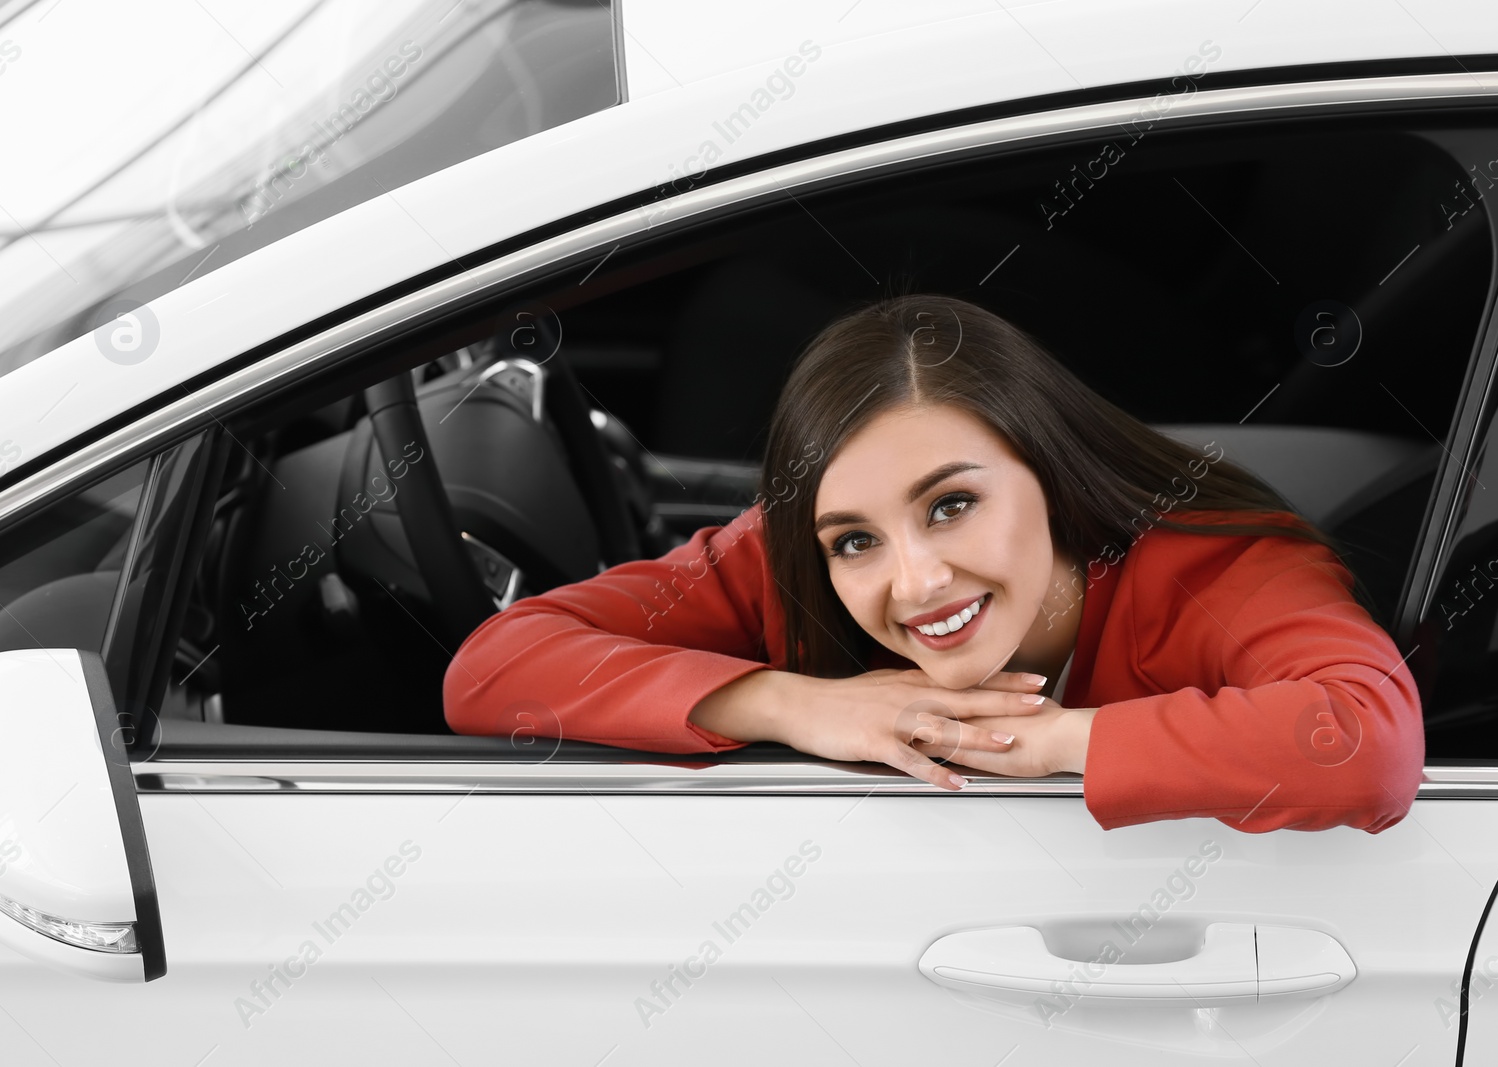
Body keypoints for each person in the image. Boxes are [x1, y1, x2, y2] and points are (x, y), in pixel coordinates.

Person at [443, 294, 1424, 833]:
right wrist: (793, 702)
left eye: (951, 504)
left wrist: (1037, 741)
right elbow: (491, 666)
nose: (912, 583)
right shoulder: (784, 555)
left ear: (1049, 472)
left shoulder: (1219, 569)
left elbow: (1367, 740)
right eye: (856, 539)